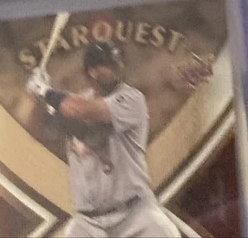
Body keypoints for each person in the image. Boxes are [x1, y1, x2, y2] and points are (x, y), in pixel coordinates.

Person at [26, 41, 181, 238]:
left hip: (135, 214)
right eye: (108, 64)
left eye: (117, 62)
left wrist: (45, 91)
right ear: (92, 71)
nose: (117, 68)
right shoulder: (75, 101)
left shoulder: (131, 99)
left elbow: (82, 110)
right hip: (89, 222)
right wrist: (36, 100)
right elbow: (38, 129)